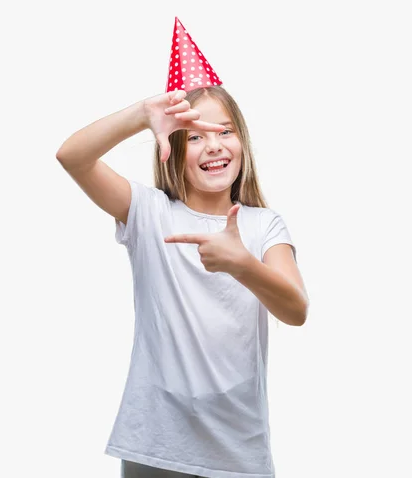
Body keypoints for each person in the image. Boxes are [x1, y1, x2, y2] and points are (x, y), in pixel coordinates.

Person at [55, 17, 309, 478]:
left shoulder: (263, 225)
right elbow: (72, 156)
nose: (214, 145)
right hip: (155, 444)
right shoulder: (148, 212)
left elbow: (296, 309)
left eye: (225, 131)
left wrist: (242, 265)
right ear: (171, 146)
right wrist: (140, 114)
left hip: (237, 452)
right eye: (195, 136)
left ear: (243, 143)